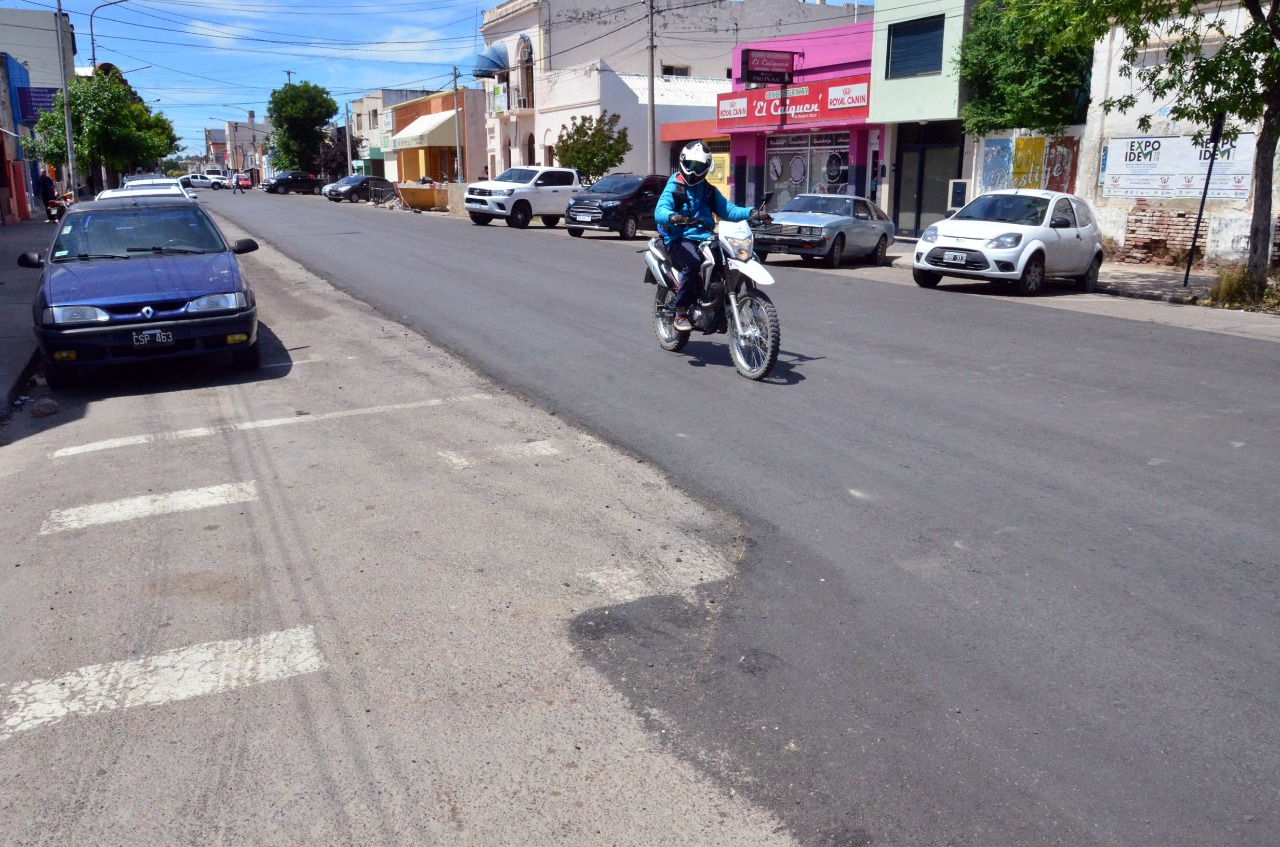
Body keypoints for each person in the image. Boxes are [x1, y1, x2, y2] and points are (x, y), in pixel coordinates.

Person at [654, 140, 769, 332]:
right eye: (690, 164)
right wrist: (673, 217)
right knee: (692, 263)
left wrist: (753, 213)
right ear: (683, 162)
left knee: (726, 260)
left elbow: (728, 210)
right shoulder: (675, 186)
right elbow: (660, 210)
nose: (693, 170)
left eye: (699, 166)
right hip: (680, 239)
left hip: (705, 236)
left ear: (707, 168)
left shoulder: (708, 190)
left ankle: (719, 306)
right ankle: (680, 311)